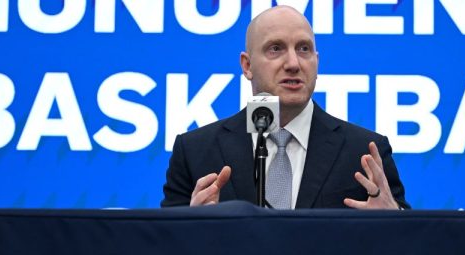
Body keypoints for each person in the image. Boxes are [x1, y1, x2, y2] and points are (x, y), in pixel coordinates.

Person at [161, 6, 409, 210]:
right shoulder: (195, 152)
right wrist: (189, 227)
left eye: (304, 49)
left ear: (317, 61)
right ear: (247, 66)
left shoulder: (364, 152)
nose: (293, 63)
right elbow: (163, 254)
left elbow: (413, 251)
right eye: (276, 48)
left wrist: (394, 220)